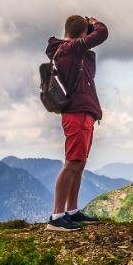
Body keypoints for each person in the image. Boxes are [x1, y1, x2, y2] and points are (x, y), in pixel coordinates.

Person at [44, 14, 108, 231]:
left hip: (83, 113)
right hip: (77, 113)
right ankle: (57, 217)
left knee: (79, 163)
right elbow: (103, 33)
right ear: (82, 33)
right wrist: (94, 23)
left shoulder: (69, 50)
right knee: (72, 163)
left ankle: (71, 211)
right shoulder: (70, 48)